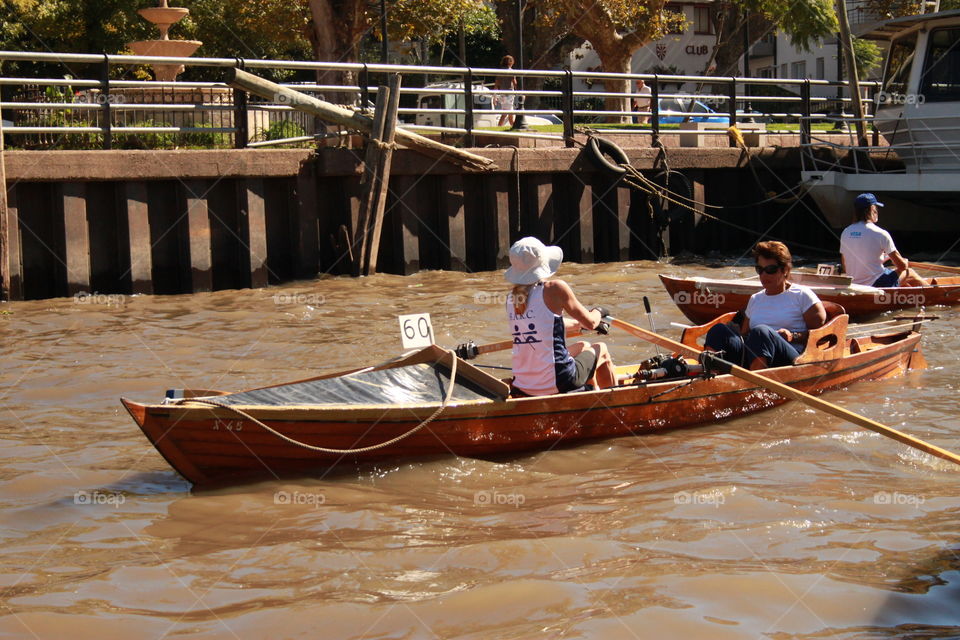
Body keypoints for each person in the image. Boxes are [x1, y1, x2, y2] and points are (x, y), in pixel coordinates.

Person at [503, 237, 616, 396]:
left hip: (522, 384)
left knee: (583, 345)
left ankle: (592, 394)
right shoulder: (554, 288)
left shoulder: (511, 298)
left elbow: (545, 322)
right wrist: (600, 311)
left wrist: (578, 324)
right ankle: (613, 404)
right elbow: (591, 322)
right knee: (601, 348)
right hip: (558, 381)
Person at [705, 241, 827, 370]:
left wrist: (793, 336)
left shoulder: (803, 295)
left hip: (791, 359)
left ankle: (756, 385)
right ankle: (709, 374)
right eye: (760, 270)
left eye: (770, 270)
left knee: (761, 332)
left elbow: (821, 336)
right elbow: (744, 334)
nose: (763, 275)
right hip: (755, 354)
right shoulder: (755, 299)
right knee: (718, 330)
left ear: (785, 270)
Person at [840, 193, 926, 287]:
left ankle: (904, 298)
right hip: (877, 284)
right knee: (909, 272)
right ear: (872, 209)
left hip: (854, 284)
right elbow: (902, 266)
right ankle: (935, 292)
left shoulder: (846, 232)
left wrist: (880, 259)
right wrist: (905, 261)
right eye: (876, 209)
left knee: (900, 280)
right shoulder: (881, 233)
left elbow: (845, 267)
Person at [494, 55, 517, 127]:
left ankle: (512, 126)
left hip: (502, 94)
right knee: (506, 113)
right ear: (510, 62)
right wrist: (518, 90)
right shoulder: (511, 71)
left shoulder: (500, 71)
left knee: (509, 112)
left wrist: (494, 95)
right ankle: (500, 126)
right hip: (509, 93)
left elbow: (497, 83)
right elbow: (514, 82)